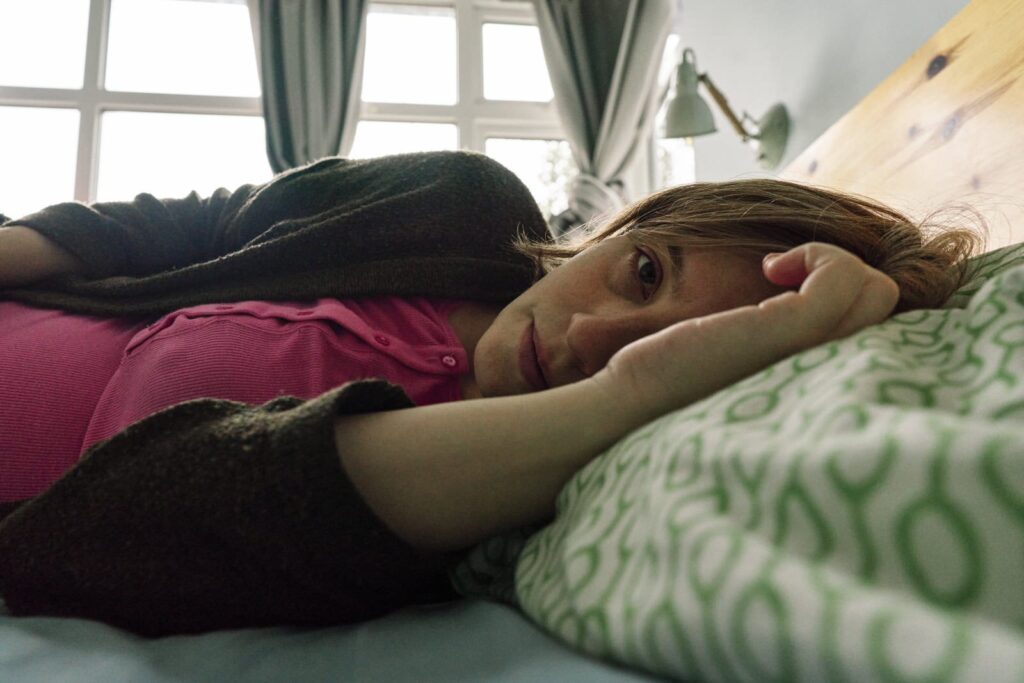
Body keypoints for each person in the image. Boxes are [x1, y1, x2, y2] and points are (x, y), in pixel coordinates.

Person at [0, 151, 979, 636]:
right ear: (624, 227)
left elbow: (164, 510)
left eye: (674, 347)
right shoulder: (458, 201)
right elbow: (182, 226)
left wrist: (629, 396)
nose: (591, 338)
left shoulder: (470, 498)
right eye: (643, 272)